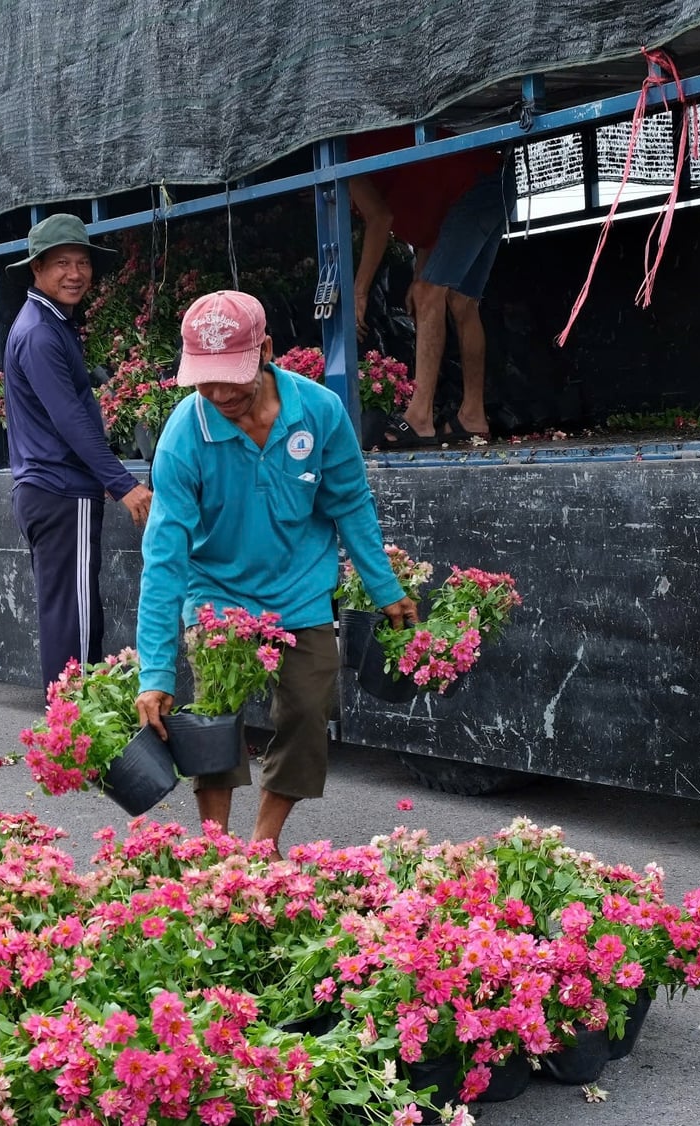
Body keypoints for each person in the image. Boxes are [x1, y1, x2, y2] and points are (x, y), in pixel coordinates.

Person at [134, 290, 418, 855]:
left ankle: (263, 845)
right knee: (212, 723)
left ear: (265, 351)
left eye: (230, 378)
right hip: (218, 596)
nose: (216, 395)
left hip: (301, 590)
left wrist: (386, 590)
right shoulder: (183, 437)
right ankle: (216, 851)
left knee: (309, 715)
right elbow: (164, 559)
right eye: (203, 381)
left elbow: (351, 504)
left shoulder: (318, 412)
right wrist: (156, 674)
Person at [2, 214, 155, 683]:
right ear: (37, 270)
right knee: (77, 621)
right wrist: (123, 483)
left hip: (48, 489)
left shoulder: (46, 323)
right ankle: (76, 726)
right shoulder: (41, 333)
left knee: (66, 613)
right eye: (62, 263)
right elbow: (69, 419)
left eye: (83, 262)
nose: (75, 273)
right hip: (63, 491)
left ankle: (67, 729)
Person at [346, 127, 513, 447]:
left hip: (475, 184)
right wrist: (420, 273)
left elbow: (380, 219)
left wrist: (360, 291)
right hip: (493, 180)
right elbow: (431, 213)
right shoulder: (376, 150)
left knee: (429, 295)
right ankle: (473, 416)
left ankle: (419, 417)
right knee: (462, 303)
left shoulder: (343, 161)